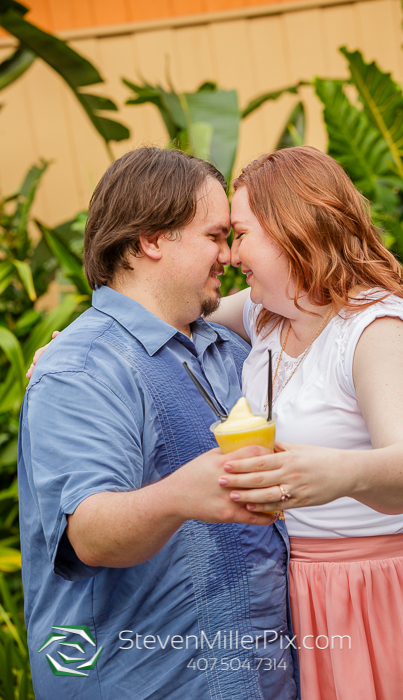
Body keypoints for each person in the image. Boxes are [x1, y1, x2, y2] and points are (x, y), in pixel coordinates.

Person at [18, 147, 299, 700]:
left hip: (264, 678)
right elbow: (88, 533)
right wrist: (179, 495)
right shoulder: (80, 369)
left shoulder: (227, 344)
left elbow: (316, 293)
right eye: (215, 236)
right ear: (151, 239)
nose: (229, 254)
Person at [207, 146, 403, 699]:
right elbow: (175, 310)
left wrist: (335, 474)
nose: (231, 256)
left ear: (291, 230)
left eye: (241, 234)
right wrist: (82, 345)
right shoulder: (266, 314)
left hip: (399, 587)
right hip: (313, 593)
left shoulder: (379, 332)